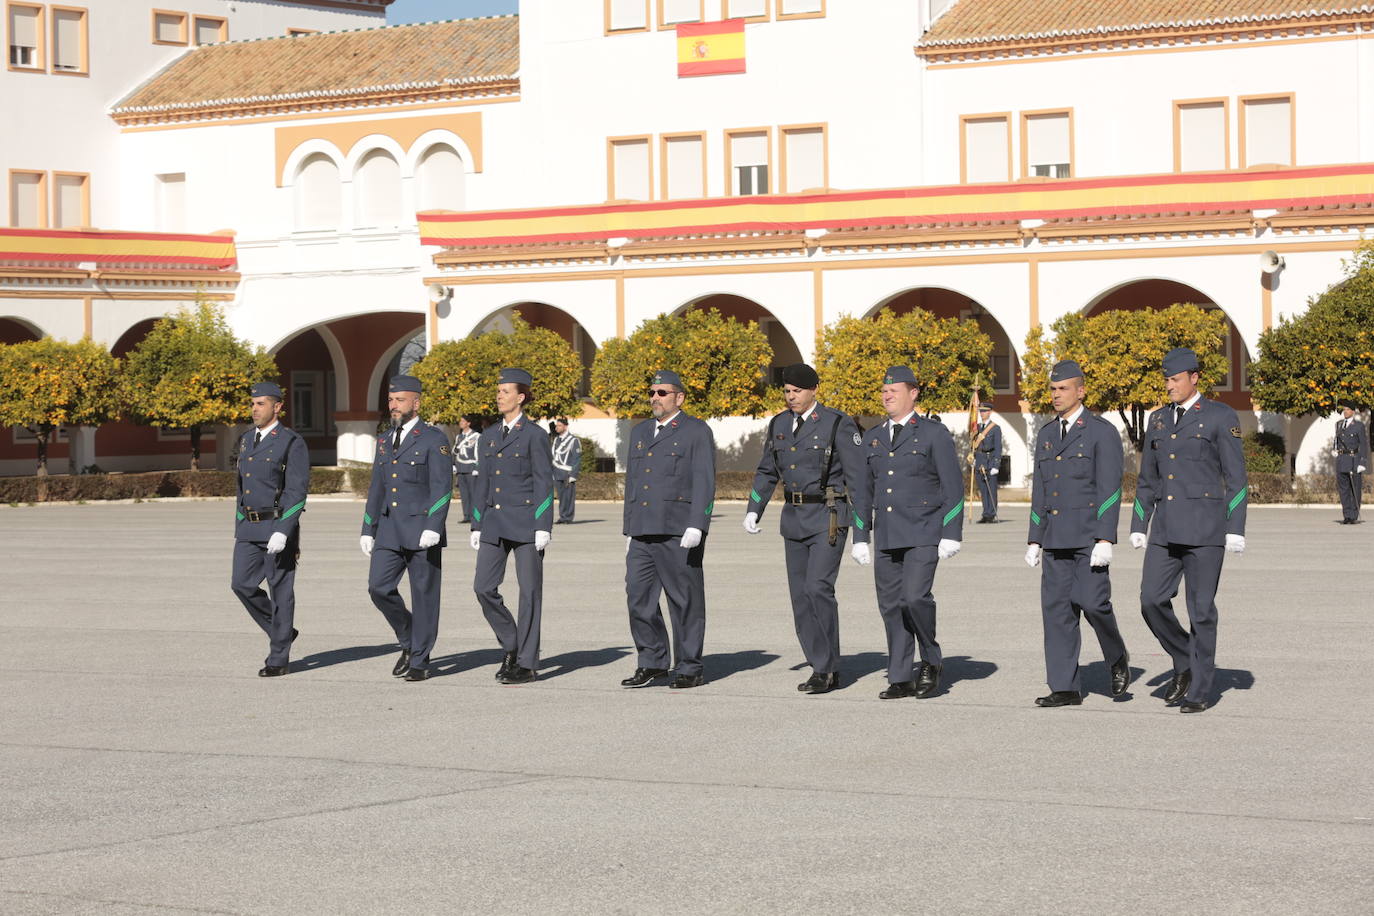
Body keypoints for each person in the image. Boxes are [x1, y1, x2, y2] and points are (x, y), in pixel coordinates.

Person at [1131, 347, 1247, 713]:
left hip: (1206, 530)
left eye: (1175, 379)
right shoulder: (1159, 420)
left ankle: (1199, 687)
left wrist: (1235, 527)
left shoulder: (1219, 416)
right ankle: (1184, 657)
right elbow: (1147, 478)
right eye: (1166, 379)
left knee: (1201, 610)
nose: (1169, 385)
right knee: (1151, 600)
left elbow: (1236, 477)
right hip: (1165, 529)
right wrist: (1139, 522)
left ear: (1194, 378)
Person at [743, 363, 871, 694]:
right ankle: (820, 662)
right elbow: (766, 471)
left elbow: (858, 480)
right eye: (787, 391)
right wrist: (754, 509)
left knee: (818, 589)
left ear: (814, 389)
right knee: (800, 598)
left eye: (797, 391)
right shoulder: (779, 424)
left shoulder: (837, 424)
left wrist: (862, 535)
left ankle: (827, 668)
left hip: (828, 516)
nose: (791, 397)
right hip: (794, 518)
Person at [1024, 360, 1130, 707]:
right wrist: (1035, 538)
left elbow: (1109, 488)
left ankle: (1116, 657)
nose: (1056, 395)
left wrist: (1105, 538)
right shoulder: (1047, 434)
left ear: (1081, 391)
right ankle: (1065, 686)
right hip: (1055, 538)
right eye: (1053, 389)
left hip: (1087, 538)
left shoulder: (1101, 431)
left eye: (1063, 389)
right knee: (1056, 613)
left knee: (1093, 603)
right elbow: (1042, 489)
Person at [857, 366, 964, 699]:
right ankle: (901, 675)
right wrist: (860, 536)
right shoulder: (873, 437)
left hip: (923, 532)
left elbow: (953, 487)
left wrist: (952, 532)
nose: (887, 395)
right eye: (884, 391)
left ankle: (931, 660)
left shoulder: (933, 433)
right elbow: (863, 491)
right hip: (888, 534)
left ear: (913, 393)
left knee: (915, 598)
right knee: (891, 606)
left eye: (894, 390)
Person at [620, 370, 716, 689]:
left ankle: (689, 665)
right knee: (638, 597)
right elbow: (634, 482)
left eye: (662, 392)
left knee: (684, 601)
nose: (655, 398)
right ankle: (652, 661)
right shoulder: (640, 431)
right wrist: (629, 529)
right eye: (652, 391)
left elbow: (704, 480)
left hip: (678, 530)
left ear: (679, 397)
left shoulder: (695, 431)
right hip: (643, 530)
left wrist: (697, 524)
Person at [359, 375, 453, 682]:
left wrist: (434, 525)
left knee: (424, 596)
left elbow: (442, 488)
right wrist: (367, 527)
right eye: (390, 400)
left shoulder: (433, 439)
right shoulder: (386, 440)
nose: (393, 405)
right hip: (388, 530)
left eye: (400, 400)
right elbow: (377, 487)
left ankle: (419, 659)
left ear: (416, 402)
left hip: (422, 530)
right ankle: (410, 638)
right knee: (378, 587)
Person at [469, 368, 554, 684]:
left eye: (505, 391)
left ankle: (527, 663)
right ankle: (511, 643)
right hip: (493, 522)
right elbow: (483, 482)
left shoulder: (535, 435)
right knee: (483, 587)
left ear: (521, 397)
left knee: (530, 592)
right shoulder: (489, 436)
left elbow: (544, 482)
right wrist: (477, 522)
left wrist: (543, 524)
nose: (499, 395)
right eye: (498, 390)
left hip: (527, 522)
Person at [230, 381, 310, 678]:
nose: (254, 408)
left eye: (261, 403)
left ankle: (278, 657)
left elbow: (297, 489)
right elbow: (241, 486)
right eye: (252, 403)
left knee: (281, 591)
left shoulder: (291, 442)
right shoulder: (246, 440)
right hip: (249, 528)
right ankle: (283, 631)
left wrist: (284, 528)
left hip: (277, 525)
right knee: (241, 584)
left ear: (277, 407)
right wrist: (239, 520)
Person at [1333, 400, 1369, 524]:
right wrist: (1335, 449)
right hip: (1342, 460)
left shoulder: (1358, 425)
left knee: (1355, 489)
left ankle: (1353, 515)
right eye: (1344, 409)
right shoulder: (1338, 424)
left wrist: (1362, 462)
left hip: (1354, 460)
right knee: (1343, 490)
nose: (1345, 412)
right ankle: (1347, 515)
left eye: (1348, 410)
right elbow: (1336, 440)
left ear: (1353, 412)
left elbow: (1363, 445)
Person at [971, 402, 1002, 523]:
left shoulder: (995, 428)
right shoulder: (977, 428)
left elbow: (998, 447)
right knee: (983, 491)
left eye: (984, 411)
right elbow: (974, 445)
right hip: (980, 460)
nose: (982, 413)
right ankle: (985, 513)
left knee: (991, 490)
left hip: (990, 461)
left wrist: (996, 465)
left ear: (989, 412)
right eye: (981, 411)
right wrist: (973, 458)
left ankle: (991, 514)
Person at [551, 417, 582, 524]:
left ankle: (568, 517)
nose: (557, 428)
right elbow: (553, 457)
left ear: (565, 426)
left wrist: (573, 474)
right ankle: (562, 516)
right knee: (561, 497)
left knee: (568, 497)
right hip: (557, 473)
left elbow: (576, 458)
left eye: (559, 426)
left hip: (567, 473)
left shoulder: (573, 440)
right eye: (556, 426)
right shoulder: (556, 440)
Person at [453, 414, 482, 524]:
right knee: (464, 495)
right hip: (461, 468)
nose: (461, 423)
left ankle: (475, 516)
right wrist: (454, 465)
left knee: (473, 494)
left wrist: (477, 467)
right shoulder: (458, 437)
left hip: (471, 468)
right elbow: (455, 452)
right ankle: (466, 516)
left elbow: (478, 453)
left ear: (468, 423)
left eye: (463, 421)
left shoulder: (476, 436)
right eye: (460, 421)